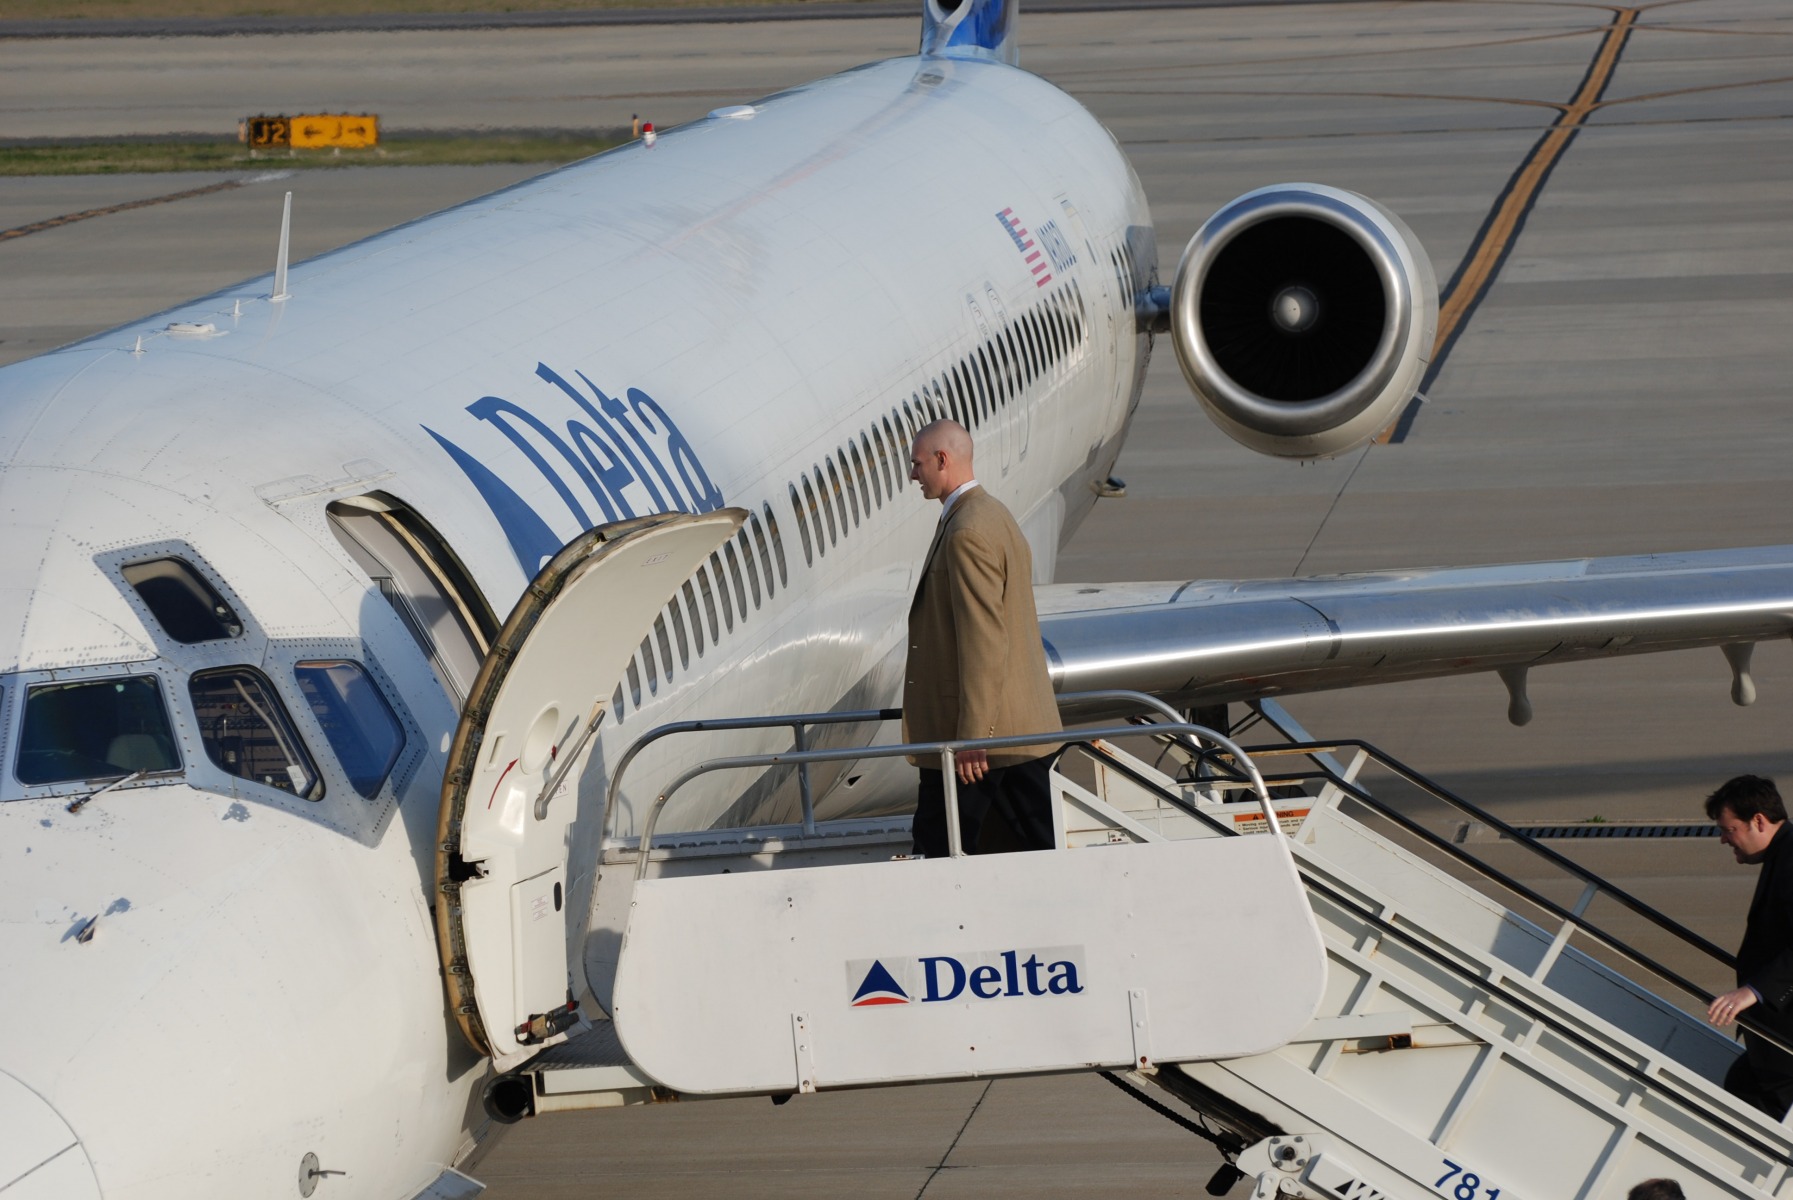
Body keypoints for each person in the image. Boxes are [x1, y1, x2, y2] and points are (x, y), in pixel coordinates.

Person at [903, 419, 1062, 858]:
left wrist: (973, 738)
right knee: (1036, 845)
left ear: (942, 460)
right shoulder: (990, 513)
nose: (912, 475)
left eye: (917, 465)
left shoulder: (966, 531)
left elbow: (983, 640)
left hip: (983, 742)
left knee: (938, 848)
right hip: (1015, 730)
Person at [1704, 774, 1793, 1119]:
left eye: (1729, 830)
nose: (1724, 840)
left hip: (1785, 1040)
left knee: (1749, 1101)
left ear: (1758, 820)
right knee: (1741, 1089)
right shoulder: (1782, 856)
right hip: (1774, 1038)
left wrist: (1754, 991)